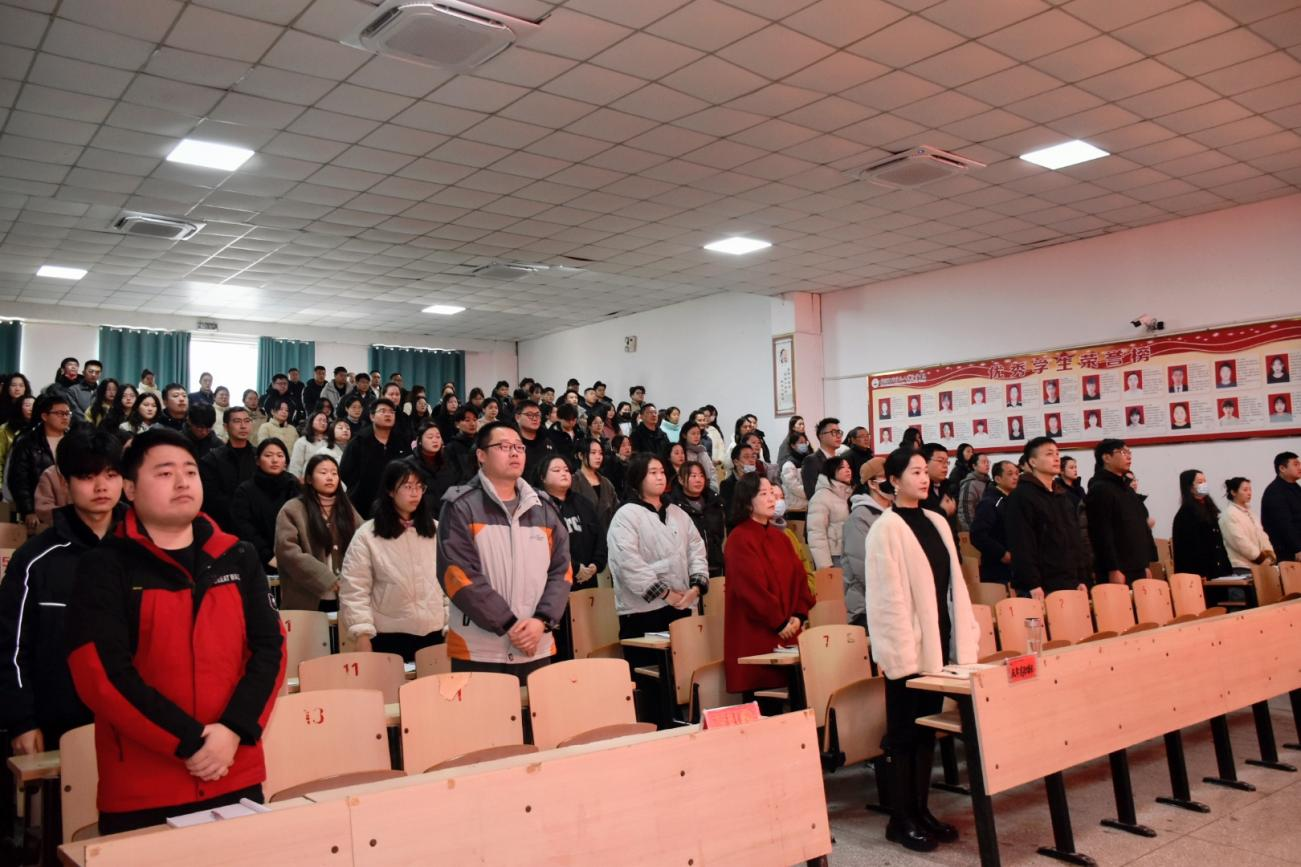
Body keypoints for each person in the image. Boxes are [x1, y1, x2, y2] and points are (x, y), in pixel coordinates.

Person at [64, 428, 284, 834]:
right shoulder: (104, 566)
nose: (182, 482)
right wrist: (189, 741)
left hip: (233, 770)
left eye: (190, 471)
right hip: (144, 786)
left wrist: (233, 730)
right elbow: (101, 674)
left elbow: (271, 649)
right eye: (165, 473)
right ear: (130, 488)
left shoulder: (238, 555)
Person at [864, 447, 980, 853]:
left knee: (926, 731)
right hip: (907, 649)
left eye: (923, 471)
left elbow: (954, 584)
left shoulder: (936, 521)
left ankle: (921, 809)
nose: (924, 477)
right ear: (894, 481)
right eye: (914, 472)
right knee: (903, 733)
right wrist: (898, 654)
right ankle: (900, 818)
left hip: (938, 643)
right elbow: (885, 600)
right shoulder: (886, 528)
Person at [0, 431, 124, 757]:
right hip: (58, 724)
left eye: (111, 475)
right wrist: (22, 721)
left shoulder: (145, 550)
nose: (101, 486)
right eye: (87, 476)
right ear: (65, 482)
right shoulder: (34, 560)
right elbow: (11, 647)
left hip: (136, 726)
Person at [436, 422, 571, 681]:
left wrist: (541, 621)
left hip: (536, 643)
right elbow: (457, 575)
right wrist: (509, 624)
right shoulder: (460, 506)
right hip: (478, 650)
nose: (514, 452)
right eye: (504, 446)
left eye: (519, 447)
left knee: (535, 709)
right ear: (481, 455)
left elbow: (561, 571)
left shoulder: (544, 508)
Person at [338, 461, 445, 662]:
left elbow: (449, 583)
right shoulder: (367, 535)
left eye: (419, 486)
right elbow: (354, 589)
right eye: (407, 486)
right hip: (388, 634)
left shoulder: (436, 530)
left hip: (435, 632)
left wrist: (450, 626)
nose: (415, 493)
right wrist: (362, 634)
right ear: (390, 491)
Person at [723, 474, 814, 696]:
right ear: (747, 502)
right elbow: (750, 589)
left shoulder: (781, 537)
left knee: (798, 695)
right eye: (763, 494)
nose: (771, 499)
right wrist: (779, 623)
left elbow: (800, 579)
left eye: (772, 493)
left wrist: (799, 614)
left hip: (788, 631)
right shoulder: (739, 539)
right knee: (764, 700)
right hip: (758, 634)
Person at [607, 452, 709, 638]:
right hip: (642, 611)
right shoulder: (625, 515)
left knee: (684, 655)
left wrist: (695, 589)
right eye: (653, 473)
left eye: (662, 472)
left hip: (682, 603)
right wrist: (665, 594)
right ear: (638, 478)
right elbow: (627, 563)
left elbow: (697, 550)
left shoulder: (677, 512)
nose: (660, 477)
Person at [534, 455, 606, 659]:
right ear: (542, 477)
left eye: (566, 470)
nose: (564, 473)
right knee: (564, 646)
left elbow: (600, 537)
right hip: (557, 587)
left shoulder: (583, 502)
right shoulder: (537, 507)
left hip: (588, 584)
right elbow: (544, 546)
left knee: (590, 641)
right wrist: (574, 567)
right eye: (556, 470)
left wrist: (596, 564)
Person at [1003, 437, 1091, 597]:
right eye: (1049, 454)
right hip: (1040, 586)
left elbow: (1074, 539)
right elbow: (1021, 544)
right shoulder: (1021, 496)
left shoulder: (1062, 495)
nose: (1056, 458)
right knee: (1033, 619)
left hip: (1069, 581)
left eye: (1057, 453)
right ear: (1033, 462)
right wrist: (1032, 584)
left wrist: (1081, 578)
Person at [274, 454, 361, 613]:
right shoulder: (293, 509)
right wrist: (326, 578)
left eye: (334, 473)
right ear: (309, 479)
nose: (330, 477)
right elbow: (287, 552)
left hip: (344, 596)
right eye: (323, 472)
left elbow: (363, 541)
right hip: (306, 597)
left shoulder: (347, 508)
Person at [1087, 439, 1157, 583]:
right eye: (1123, 452)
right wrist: (1112, 568)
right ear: (1106, 458)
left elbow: (1140, 527)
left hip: (1137, 566)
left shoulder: (1127, 490)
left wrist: (1145, 564)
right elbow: (1101, 532)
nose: (1128, 456)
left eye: (1129, 452)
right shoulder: (1100, 489)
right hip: (1117, 569)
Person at [232, 439, 299, 570]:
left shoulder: (294, 485)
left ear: (286, 461)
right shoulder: (245, 491)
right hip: (258, 560)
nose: (274, 460)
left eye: (280, 455)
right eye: (268, 455)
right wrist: (267, 556)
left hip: (295, 558)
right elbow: (244, 528)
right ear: (257, 461)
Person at [9, 394, 72, 533]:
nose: (65, 417)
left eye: (67, 413)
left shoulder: (75, 441)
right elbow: (19, 479)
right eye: (59, 413)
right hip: (40, 510)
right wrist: (28, 510)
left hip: (70, 509)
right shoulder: (28, 443)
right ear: (44, 416)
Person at [340, 399, 412, 519]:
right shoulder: (359, 442)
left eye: (391, 412)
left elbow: (408, 468)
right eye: (383, 411)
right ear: (372, 416)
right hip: (362, 505)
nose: (388, 414)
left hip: (395, 504)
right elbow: (345, 472)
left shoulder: (401, 441)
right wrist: (360, 486)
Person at [842, 457, 891, 627]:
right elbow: (862, 566)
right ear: (872, 483)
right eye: (885, 477)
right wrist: (890, 592)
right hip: (866, 607)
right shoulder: (859, 518)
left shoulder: (893, 512)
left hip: (891, 602)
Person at [199, 407, 256, 534]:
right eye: (237, 421)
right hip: (224, 525)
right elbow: (211, 497)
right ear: (226, 427)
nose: (243, 426)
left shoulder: (259, 456)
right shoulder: (212, 459)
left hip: (256, 523)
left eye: (247, 421)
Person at [669, 461, 727, 578]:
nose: (698, 480)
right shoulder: (673, 506)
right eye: (693, 476)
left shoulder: (714, 502)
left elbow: (721, 534)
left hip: (714, 565)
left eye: (701, 475)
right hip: (687, 569)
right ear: (681, 480)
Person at [1171, 469, 1232, 578]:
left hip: (1217, 569)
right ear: (1190, 487)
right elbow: (1191, 549)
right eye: (1200, 482)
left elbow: (1218, 543)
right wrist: (1202, 574)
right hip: (1200, 572)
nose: (1204, 484)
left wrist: (1226, 568)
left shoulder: (1208, 508)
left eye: (1205, 481)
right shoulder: (1186, 513)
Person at [971, 460, 1018, 586]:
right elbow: (977, 535)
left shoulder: (1014, 499)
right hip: (997, 571)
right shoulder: (989, 502)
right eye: (1010, 474)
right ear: (998, 479)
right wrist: (1002, 554)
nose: (1015, 477)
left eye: (1016, 473)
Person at [1219, 478, 1276, 571]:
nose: (1249, 493)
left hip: (1259, 565)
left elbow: (1262, 536)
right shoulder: (1229, 514)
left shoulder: (1251, 513)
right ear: (1233, 492)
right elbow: (1239, 542)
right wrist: (1260, 558)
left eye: (1250, 489)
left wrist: (1270, 555)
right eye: (1245, 490)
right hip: (1240, 566)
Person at [807, 456, 852, 571]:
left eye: (848, 467)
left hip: (851, 553)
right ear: (831, 471)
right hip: (834, 556)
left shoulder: (849, 493)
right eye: (842, 468)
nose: (848, 470)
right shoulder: (821, 497)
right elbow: (816, 533)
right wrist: (825, 565)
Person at [405, 420, 458, 514]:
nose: (435, 440)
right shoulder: (409, 464)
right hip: (421, 515)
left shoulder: (448, 461)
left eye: (438, 437)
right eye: (430, 437)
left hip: (447, 514)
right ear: (419, 441)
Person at [1261, 451, 1301, 562]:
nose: (1299, 468)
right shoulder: (1275, 491)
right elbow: (1284, 524)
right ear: (1282, 468)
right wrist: (1298, 548)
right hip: (1288, 553)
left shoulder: (1295, 487)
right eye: (1295, 464)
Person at [288, 410, 339, 480]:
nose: (323, 423)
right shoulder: (302, 441)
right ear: (311, 422)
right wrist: (296, 481)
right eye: (320, 420)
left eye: (325, 421)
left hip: (329, 478)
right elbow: (295, 465)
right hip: (307, 480)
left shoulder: (330, 442)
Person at [801, 417, 842, 499]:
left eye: (839, 432)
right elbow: (812, 494)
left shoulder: (841, 460)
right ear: (821, 436)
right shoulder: (811, 461)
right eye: (833, 432)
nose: (838, 436)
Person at [514, 399, 554, 477]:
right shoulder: (511, 443)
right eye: (529, 415)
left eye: (537, 415)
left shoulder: (547, 442)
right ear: (517, 417)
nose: (535, 418)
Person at [779, 430, 811, 525]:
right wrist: (810, 492)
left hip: (807, 505)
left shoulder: (807, 461)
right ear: (793, 445)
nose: (804, 445)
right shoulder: (788, 465)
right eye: (801, 442)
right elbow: (794, 487)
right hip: (795, 508)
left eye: (805, 442)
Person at [956, 453, 990, 533]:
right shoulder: (969, 484)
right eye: (983, 462)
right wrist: (972, 531)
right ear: (974, 466)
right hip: (975, 531)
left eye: (988, 462)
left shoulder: (988, 482)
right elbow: (965, 511)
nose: (987, 464)